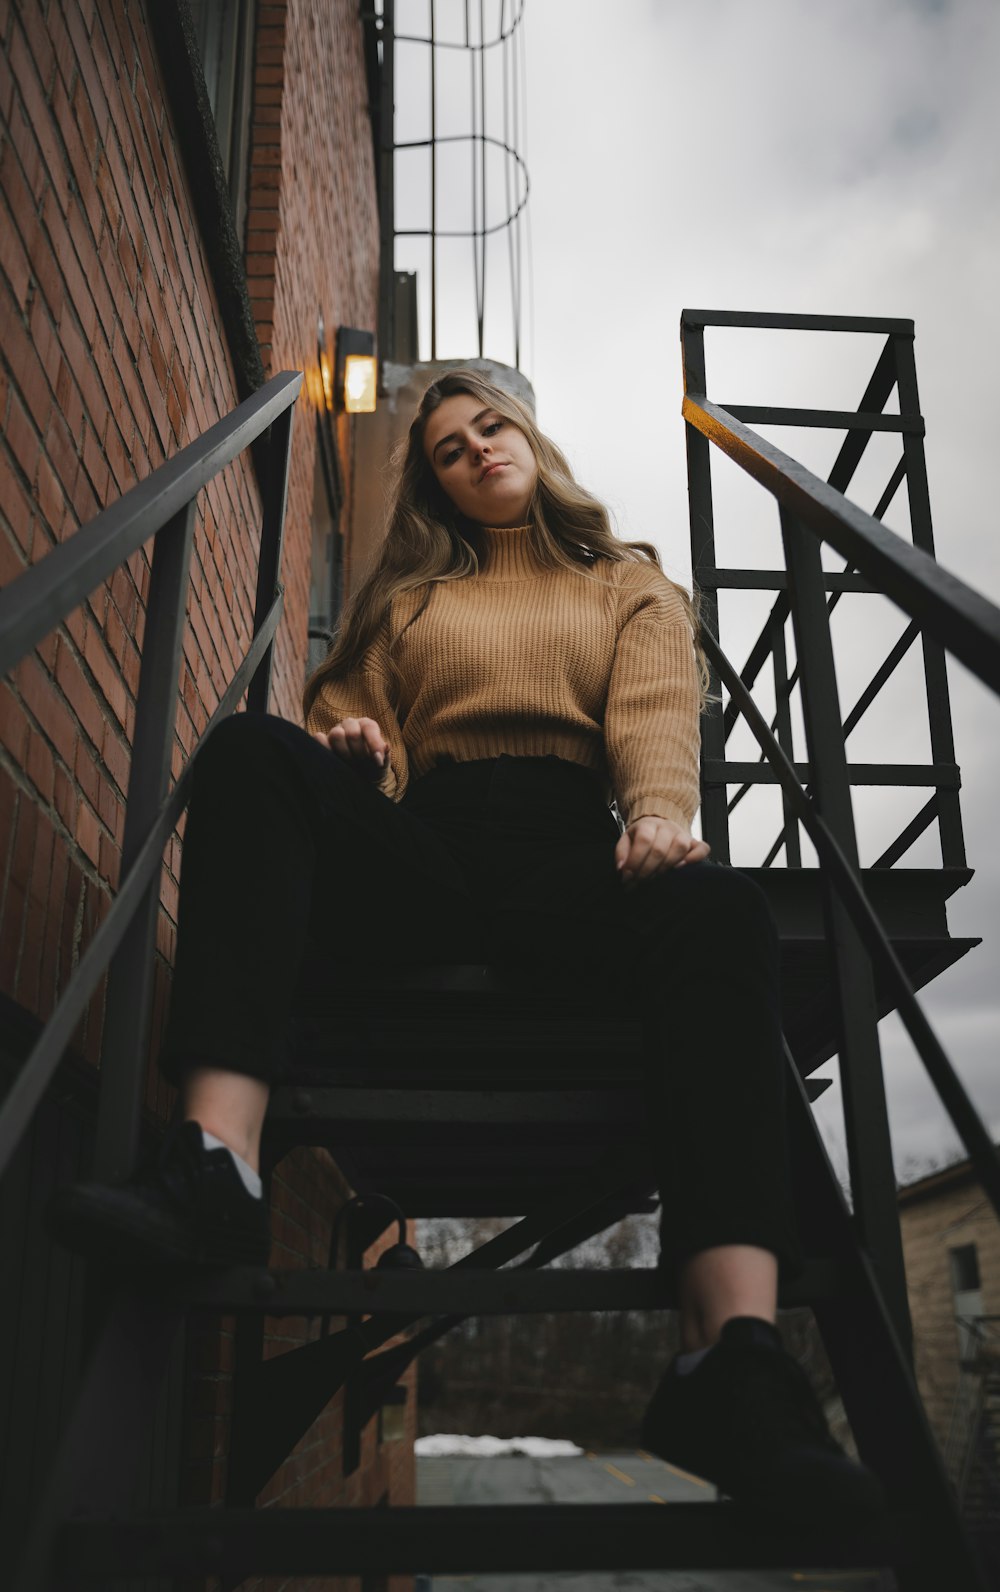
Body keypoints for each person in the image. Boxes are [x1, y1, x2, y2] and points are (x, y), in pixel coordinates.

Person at [49, 370, 884, 1525]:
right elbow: (366, 726)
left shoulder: (626, 585)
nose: (475, 450)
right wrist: (354, 750)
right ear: (434, 482)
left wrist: (654, 816)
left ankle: (727, 1360)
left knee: (717, 908)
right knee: (251, 749)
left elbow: (650, 716)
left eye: (489, 427)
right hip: (426, 857)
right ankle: (213, 1163)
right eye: (446, 447)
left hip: (565, 858)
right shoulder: (409, 601)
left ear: (529, 437)